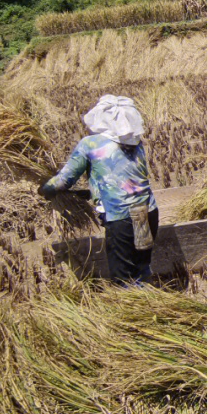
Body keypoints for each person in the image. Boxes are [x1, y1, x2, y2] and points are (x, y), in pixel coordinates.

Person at [39, 95, 157, 285]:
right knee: (141, 267)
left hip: (121, 218)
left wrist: (45, 189)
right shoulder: (134, 141)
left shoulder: (90, 144)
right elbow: (121, 177)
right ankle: (149, 302)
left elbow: (64, 180)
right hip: (146, 212)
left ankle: (135, 310)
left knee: (123, 275)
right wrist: (91, 193)